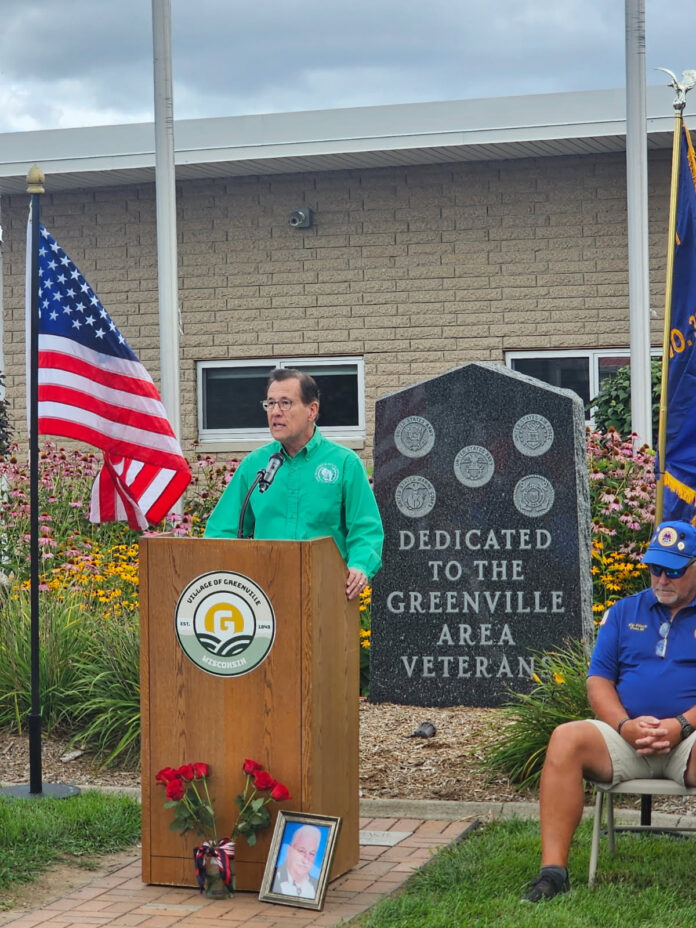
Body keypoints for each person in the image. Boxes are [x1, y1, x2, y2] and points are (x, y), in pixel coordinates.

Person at [523, 520, 696, 903]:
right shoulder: (623, 612)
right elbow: (598, 681)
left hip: (689, 739)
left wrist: (681, 724)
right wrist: (624, 724)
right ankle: (553, 875)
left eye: (674, 570)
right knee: (565, 738)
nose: (662, 578)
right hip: (625, 735)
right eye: (655, 568)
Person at [204, 368, 383, 600]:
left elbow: (365, 528)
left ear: (312, 410)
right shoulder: (255, 465)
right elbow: (222, 530)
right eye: (270, 404)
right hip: (264, 595)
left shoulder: (344, 463)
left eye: (285, 403)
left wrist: (360, 566)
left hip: (327, 594)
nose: (276, 412)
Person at [272, 824, 322, 897]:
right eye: (301, 851)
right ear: (289, 851)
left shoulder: (317, 885)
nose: (306, 860)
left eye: (311, 853)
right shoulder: (273, 879)